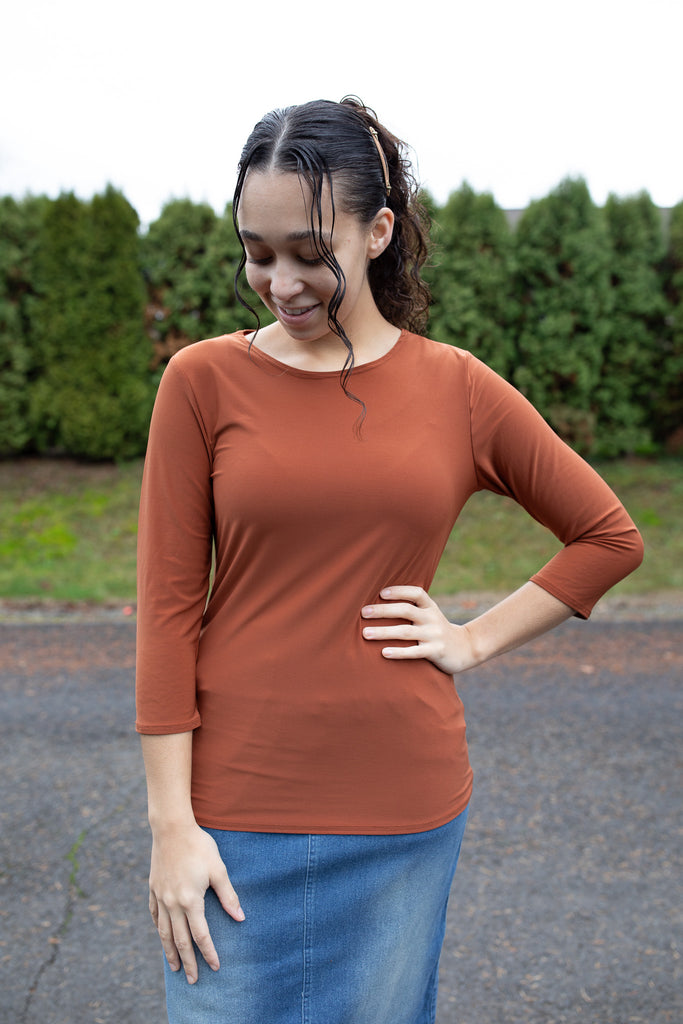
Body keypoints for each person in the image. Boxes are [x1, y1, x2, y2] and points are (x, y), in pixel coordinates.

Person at [135, 97, 643, 1024]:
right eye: (257, 252)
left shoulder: (456, 387)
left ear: (377, 233)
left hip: (400, 808)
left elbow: (607, 537)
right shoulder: (201, 382)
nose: (280, 282)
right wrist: (172, 825)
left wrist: (473, 640)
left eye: (308, 252)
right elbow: (166, 612)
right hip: (230, 810)